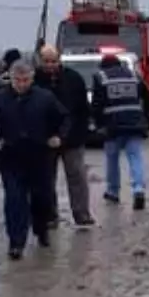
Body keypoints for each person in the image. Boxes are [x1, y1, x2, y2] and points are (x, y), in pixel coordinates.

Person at [0, 58, 66, 259]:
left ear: (32, 78)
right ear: (11, 79)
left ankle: (41, 230)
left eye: (25, 80)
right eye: (18, 80)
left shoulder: (45, 98)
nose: (21, 84)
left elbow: (63, 118)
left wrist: (58, 136)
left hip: (39, 157)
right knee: (14, 200)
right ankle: (16, 242)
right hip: (11, 158)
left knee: (41, 198)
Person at [35, 44, 94, 227]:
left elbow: (83, 109)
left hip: (73, 138)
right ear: (40, 60)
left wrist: (82, 133)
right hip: (44, 139)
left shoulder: (73, 79)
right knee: (45, 179)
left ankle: (81, 214)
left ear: (59, 60)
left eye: (53, 61)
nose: (50, 65)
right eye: (46, 61)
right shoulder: (34, 81)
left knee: (77, 177)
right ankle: (50, 216)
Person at [92, 49, 147, 210]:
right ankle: (138, 189)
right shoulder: (134, 76)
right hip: (134, 125)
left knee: (112, 160)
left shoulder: (100, 77)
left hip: (112, 127)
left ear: (103, 66)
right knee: (135, 157)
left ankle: (113, 192)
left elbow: (97, 104)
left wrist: (98, 124)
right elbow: (146, 96)